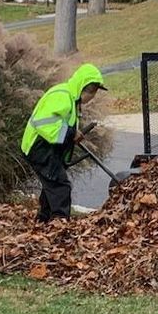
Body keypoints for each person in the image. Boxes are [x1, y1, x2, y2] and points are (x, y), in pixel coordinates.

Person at [21, 63, 105, 223]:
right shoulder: (63, 96)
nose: (92, 97)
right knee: (60, 186)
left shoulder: (71, 99)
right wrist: (71, 133)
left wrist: (72, 135)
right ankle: (59, 224)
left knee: (51, 184)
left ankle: (44, 220)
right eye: (92, 93)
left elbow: (62, 124)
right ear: (84, 87)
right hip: (39, 147)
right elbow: (44, 123)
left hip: (46, 147)